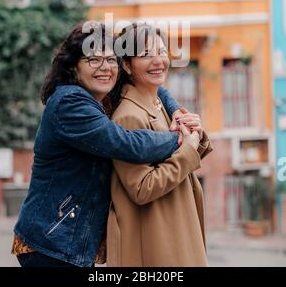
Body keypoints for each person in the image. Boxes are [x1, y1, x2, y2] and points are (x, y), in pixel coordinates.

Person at [11, 21, 193, 268]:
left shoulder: (102, 94)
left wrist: (177, 113)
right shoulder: (70, 103)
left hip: (69, 242)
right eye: (93, 60)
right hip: (51, 243)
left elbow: (155, 88)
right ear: (74, 66)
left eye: (110, 60)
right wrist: (180, 138)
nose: (104, 67)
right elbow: (126, 143)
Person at [107, 23, 213, 267]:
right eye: (145, 55)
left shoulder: (161, 106)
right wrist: (188, 147)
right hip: (158, 243)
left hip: (177, 230)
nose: (158, 60)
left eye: (162, 52)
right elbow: (142, 188)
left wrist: (196, 133)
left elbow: (180, 152)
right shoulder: (128, 116)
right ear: (126, 65)